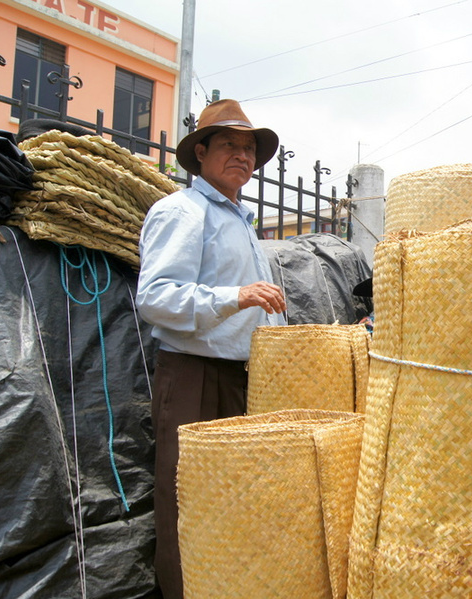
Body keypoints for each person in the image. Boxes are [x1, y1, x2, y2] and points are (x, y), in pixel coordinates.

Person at [136, 99, 287, 598]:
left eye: (249, 149)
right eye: (229, 145)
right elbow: (155, 298)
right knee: (189, 501)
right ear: (200, 152)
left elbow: (259, 305)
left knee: (233, 502)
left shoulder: (241, 221)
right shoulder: (183, 211)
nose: (243, 156)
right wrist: (236, 296)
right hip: (194, 377)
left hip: (240, 376)